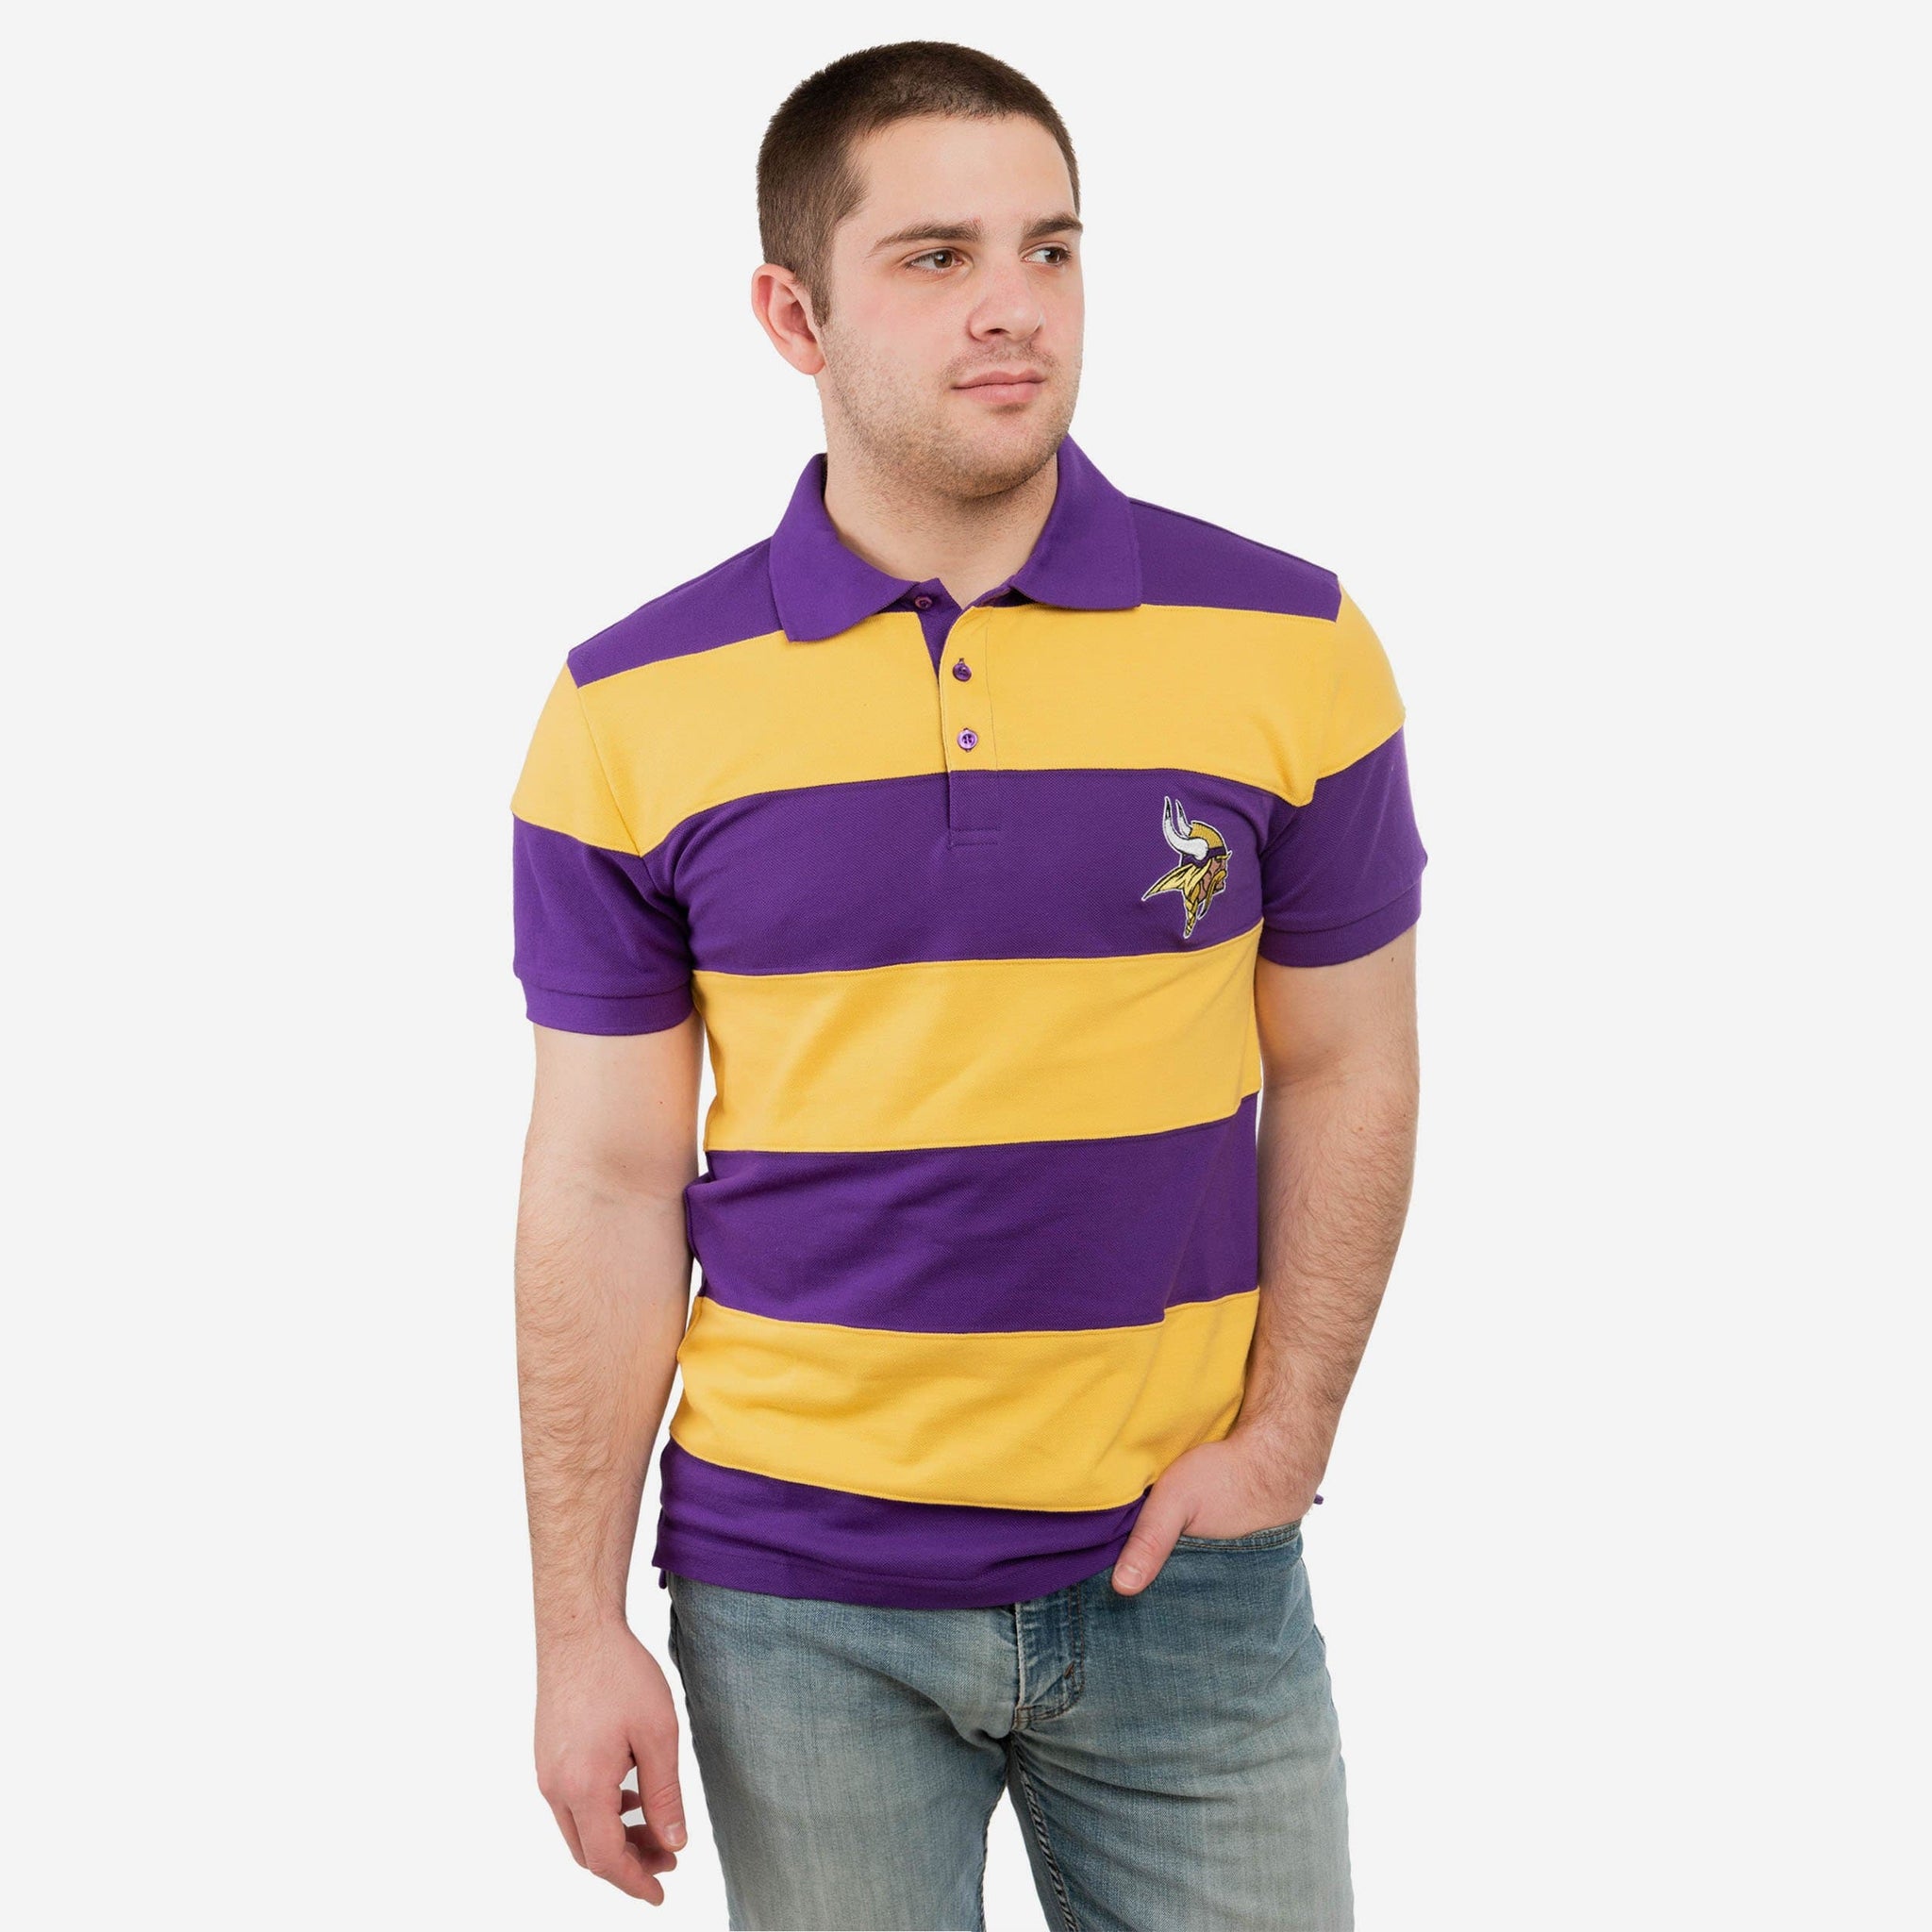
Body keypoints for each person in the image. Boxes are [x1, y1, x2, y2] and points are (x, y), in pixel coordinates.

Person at [509, 39, 1424, 1931]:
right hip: (795, 1598)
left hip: (1189, 1579)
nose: (1014, 305)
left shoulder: (1294, 644)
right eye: (935, 257)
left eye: (1049, 249)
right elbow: (604, 1179)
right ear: (795, 315)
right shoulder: (625, 711)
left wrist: (1290, 1437)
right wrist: (577, 1628)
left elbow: (1348, 1064)